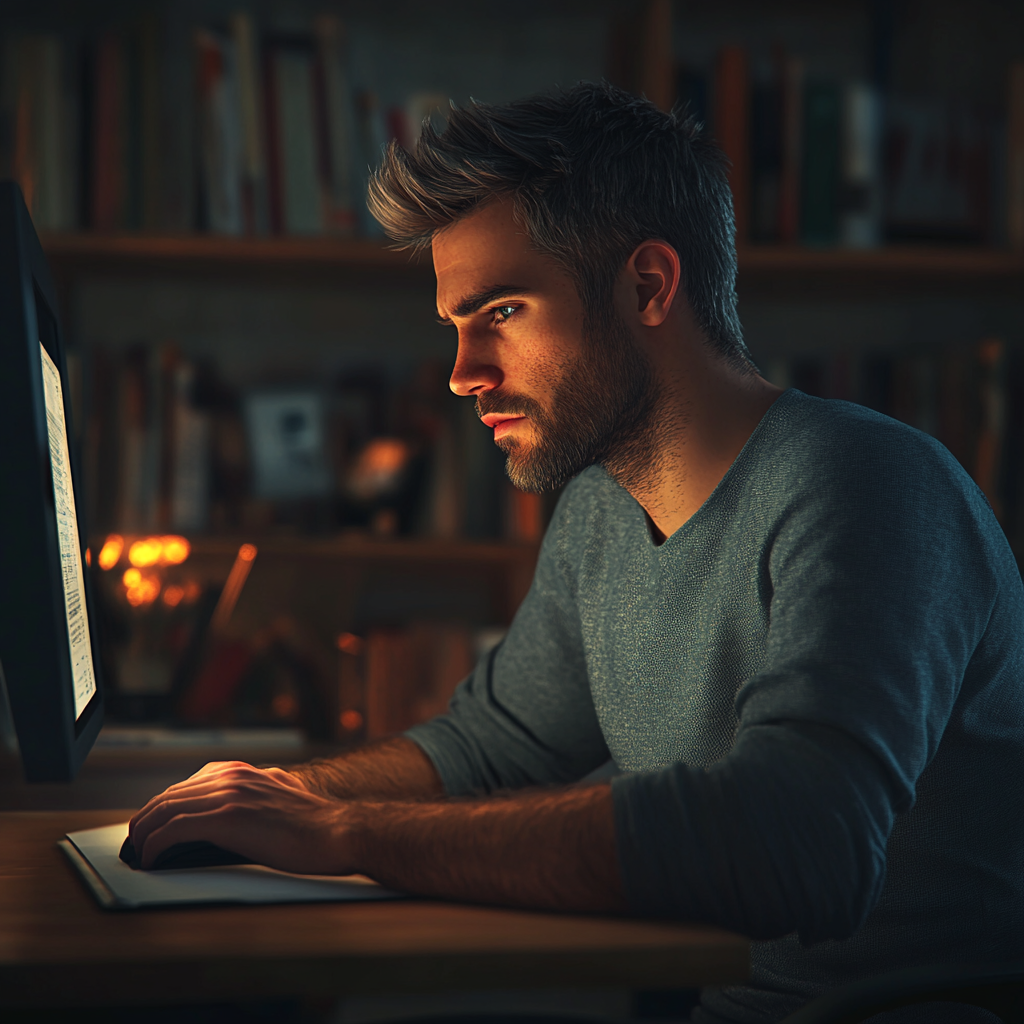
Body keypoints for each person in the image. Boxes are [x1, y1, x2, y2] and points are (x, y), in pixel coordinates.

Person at [129, 83, 1023, 1023]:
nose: (464, 373)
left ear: (648, 286)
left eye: (503, 311)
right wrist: (273, 798)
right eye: (456, 327)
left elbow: (802, 846)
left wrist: (344, 829)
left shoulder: (868, 484)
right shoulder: (600, 507)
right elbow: (492, 748)